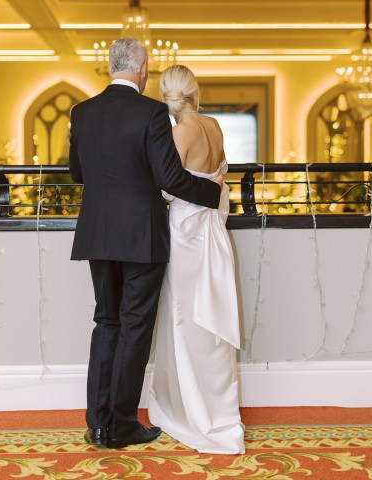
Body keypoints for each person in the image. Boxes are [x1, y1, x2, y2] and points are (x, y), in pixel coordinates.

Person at [69, 38, 222, 449]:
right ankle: (120, 426)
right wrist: (214, 194)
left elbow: (76, 174)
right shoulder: (152, 112)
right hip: (142, 235)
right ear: (143, 70)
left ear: (110, 68)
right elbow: (170, 178)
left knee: (106, 322)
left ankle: (98, 424)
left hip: (97, 234)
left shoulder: (81, 112)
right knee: (134, 327)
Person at [148, 65, 245, 455]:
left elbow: (166, 186)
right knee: (211, 320)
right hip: (213, 232)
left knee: (183, 319)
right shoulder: (215, 126)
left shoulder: (178, 132)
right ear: (193, 92)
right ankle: (220, 410)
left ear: (166, 96)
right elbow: (217, 179)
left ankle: (187, 411)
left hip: (185, 233)